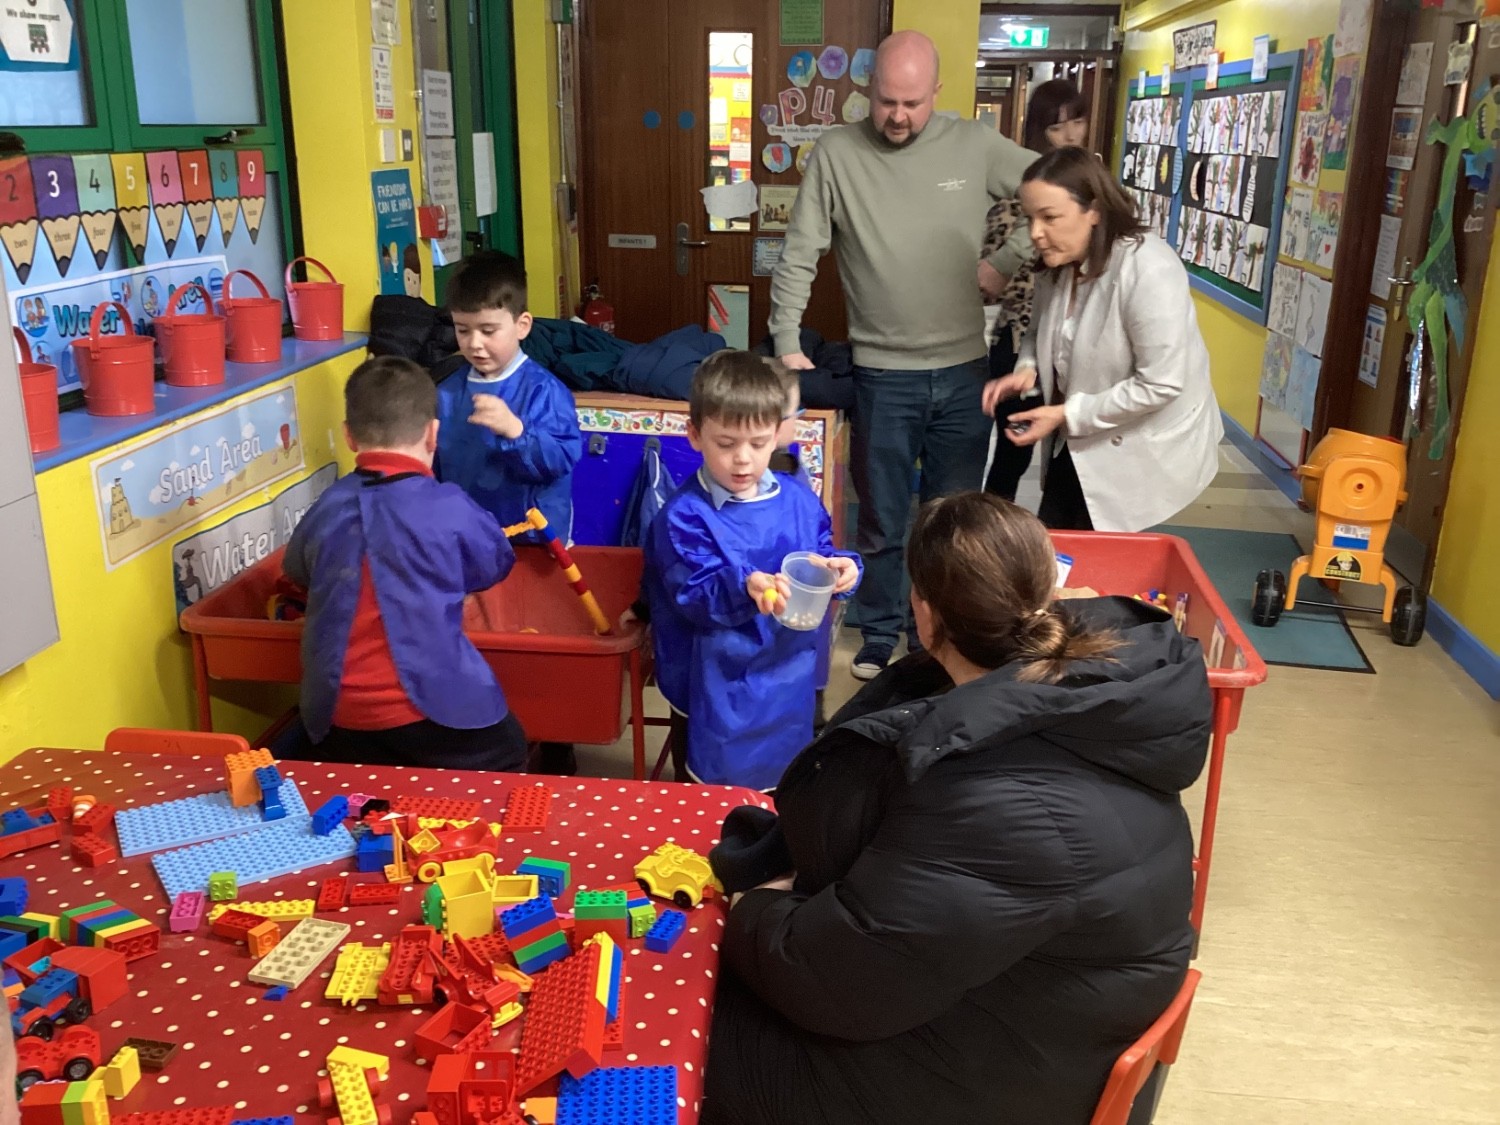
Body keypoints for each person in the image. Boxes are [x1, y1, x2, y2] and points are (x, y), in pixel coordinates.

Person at [701, 491, 1210, 1125]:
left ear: (924, 611)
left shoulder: (994, 800)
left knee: (694, 1038)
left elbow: (836, 987)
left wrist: (754, 907)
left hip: (1017, 1078)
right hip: (1047, 1017)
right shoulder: (1090, 692)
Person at [769, 29, 1036, 681]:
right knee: (883, 520)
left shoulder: (975, 144)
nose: (896, 116)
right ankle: (880, 631)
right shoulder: (837, 153)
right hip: (882, 373)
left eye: (912, 103)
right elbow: (800, 250)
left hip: (964, 371)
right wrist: (785, 341)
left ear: (937, 92)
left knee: (954, 524)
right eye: (886, 101)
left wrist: (1006, 259)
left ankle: (940, 639)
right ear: (869, 89)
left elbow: (1062, 191)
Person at [284, 356, 527, 771]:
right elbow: (495, 564)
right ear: (433, 434)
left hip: (334, 714)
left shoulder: (327, 506)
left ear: (349, 436)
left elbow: (296, 570)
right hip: (429, 707)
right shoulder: (448, 505)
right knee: (512, 749)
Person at [643, 352, 861, 790]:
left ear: (777, 434)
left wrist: (843, 569)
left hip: (786, 673)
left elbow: (819, 553)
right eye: (726, 444)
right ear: (695, 435)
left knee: (783, 783)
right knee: (712, 795)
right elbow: (693, 592)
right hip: (715, 678)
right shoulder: (684, 517)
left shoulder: (797, 499)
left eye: (758, 444)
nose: (742, 460)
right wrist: (745, 585)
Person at [983, 147, 1223, 530]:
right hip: (1081, 434)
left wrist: (1065, 414)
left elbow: (1161, 383)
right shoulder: (1058, 263)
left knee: (1097, 550)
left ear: (1093, 210)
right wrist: (1028, 369)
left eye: (1050, 217)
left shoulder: (1148, 269)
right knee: (1060, 543)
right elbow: (1038, 330)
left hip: (1142, 446)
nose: (1035, 234)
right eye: (1030, 218)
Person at [983, 78, 1090, 501]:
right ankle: (995, 525)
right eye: (1056, 127)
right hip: (1018, 340)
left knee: (1071, 451)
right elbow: (991, 281)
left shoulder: (1090, 193)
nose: (1070, 135)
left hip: (1072, 344)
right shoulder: (1015, 200)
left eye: (1077, 122)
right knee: (1014, 452)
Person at [435, 251, 583, 543]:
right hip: (468, 536)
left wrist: (516, 431)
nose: (474, 343)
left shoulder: (544, 391)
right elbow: (434, 466)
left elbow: (562, 459)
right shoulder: (446, 392)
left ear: (522, 326)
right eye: (462, 330)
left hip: (533, 541)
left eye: (488, 331)